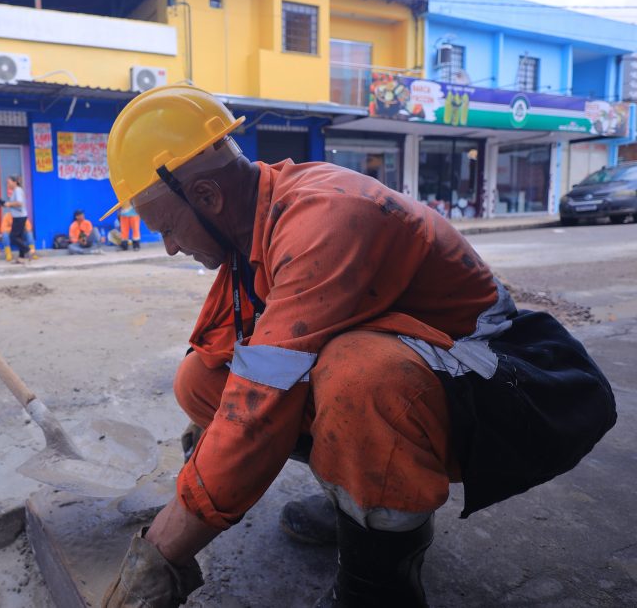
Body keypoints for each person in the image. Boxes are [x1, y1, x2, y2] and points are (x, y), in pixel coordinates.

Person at [98, 85, 615, 607]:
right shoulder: (253, 223)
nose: (168, 245)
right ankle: (359, 509)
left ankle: (381, 586)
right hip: (427, 372)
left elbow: (258, 405)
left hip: (501, 387)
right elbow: (232, 362)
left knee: (358, 375)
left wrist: (161, 553)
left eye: (165, 227)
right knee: (201, 380)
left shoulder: (321, 218)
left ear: (207, 197)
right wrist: (208, 455)